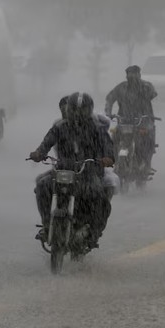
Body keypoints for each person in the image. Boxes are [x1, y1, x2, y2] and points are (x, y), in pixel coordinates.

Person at [30, 92, 115, 248]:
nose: (77, 114)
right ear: (68, 109)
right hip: (63, 170)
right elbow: (47, 142)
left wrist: (108, 158)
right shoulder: (60, 127)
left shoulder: (98, 129)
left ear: (89, 110)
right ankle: (47, 223)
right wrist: (39, 153)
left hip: (88, 172)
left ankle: (93, 232)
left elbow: (108, 147)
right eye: (74, 110)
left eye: (82, 110)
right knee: (42, 186)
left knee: (100, 198)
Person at [104, 65, 158, 171]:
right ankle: (116, 160)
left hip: (143, 120)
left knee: (147, 140)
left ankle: (145, 163)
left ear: (139, 75)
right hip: (124, 120)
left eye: (135, 74)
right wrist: (108, 112)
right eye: (130, 74)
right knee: (114, 137)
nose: (132, 76)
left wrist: (142, 92)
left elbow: (152, 94)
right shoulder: (121, 87)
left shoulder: (146, 86)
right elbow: (109, 99)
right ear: (126, 75)